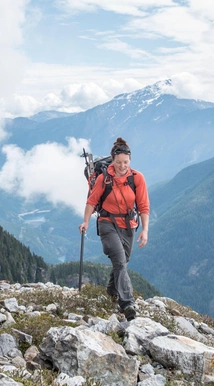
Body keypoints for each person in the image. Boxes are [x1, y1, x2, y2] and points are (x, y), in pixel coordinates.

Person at [79, 137, 149, 320]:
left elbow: (143, 206)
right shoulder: (104, 179)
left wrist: (145, 230)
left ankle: (111, 291)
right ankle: (127, 304)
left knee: (122, 262)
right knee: (119, 260)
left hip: (128, 226)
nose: (122, 166)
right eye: (119, 162)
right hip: (107, 223)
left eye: (126, 162)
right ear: (113, 160)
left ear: (130, 161)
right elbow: (92, 201)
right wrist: (86, 221)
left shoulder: (137, 178)